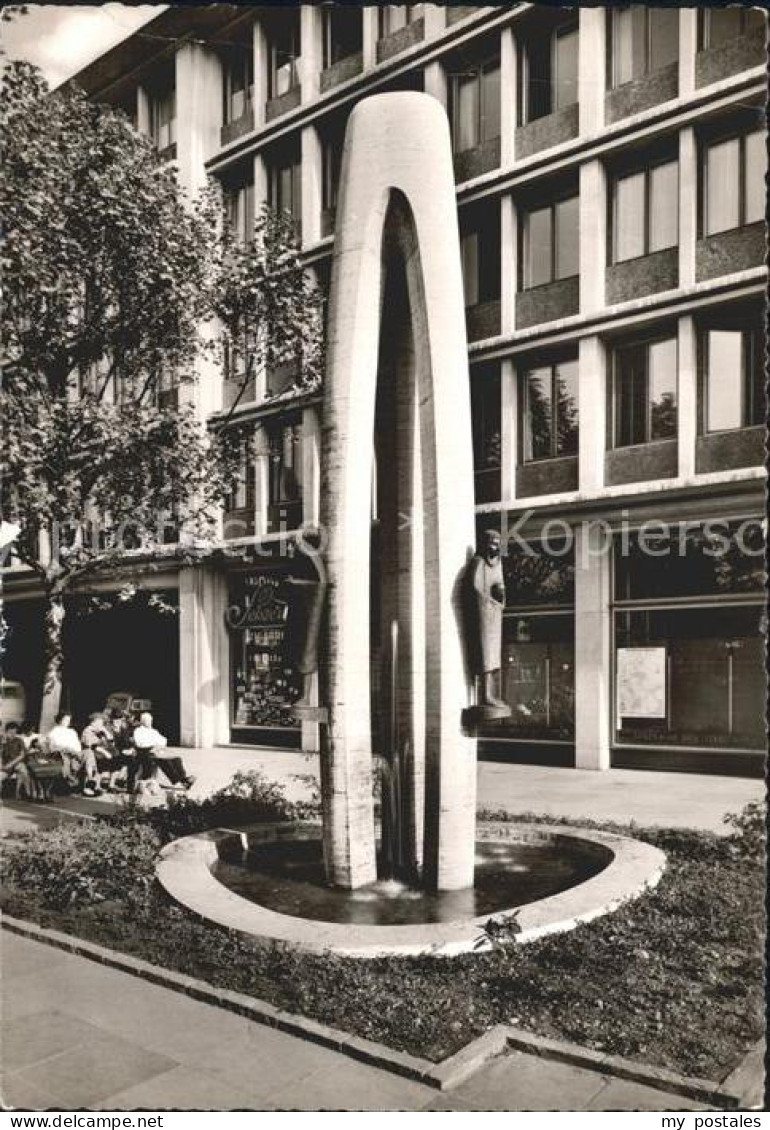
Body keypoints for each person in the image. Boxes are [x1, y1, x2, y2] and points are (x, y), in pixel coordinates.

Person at [465, 528, 511, 716]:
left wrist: (500, 597)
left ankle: (490, 694)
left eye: (498, 543)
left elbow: (501, 585)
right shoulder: (478, 562)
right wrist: (489, 601)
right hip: (483, 614)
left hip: (495, 615)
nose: (495, 547)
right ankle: (484, 695)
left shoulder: (498, 564)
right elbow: (474, 588)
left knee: (493, 656)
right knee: (484, 656)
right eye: (492, 542)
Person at [131, 712, 194, 792]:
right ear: (143, 721)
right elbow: (139, 743)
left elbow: (163, 740)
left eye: (150, 720)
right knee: (165, 761)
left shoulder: (153, 731)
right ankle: (183, 781)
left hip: (157, 750)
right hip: (146, 753)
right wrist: (153, 744)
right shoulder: (138, 731)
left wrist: (157, 744)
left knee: (176, 758)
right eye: (147, 720)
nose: (149, 722)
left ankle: (184, 779)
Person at [48, 711, 102, 796]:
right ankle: (81, 786)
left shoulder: (72, 731)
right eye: (65, 720)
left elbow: (77, 745)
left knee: (89, 752)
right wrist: (70, 750)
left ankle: (90, 780)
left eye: (69, 720)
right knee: (66, 756)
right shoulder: (54, 732)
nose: (67, 722)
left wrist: (77, 752)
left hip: (75, 754)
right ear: (60, 720)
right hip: (64, 754)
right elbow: (54, 746)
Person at [81, 712, 126, 792]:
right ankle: (95, 785)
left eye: (101, 723)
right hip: (92, 751)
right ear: (93, 722)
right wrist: (105, 752)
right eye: (99, 722)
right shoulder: (88, 730)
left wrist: (104, 730)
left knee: (116, 757)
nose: (101, 724)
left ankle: (111, 785)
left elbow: (110, 739)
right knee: (102, 759)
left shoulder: (100, 731)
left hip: (102, 750)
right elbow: (92, 745)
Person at [1, 721, 35, 800]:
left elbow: (22, 755)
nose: (12, 735)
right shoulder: (2, 740)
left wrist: (11, 764)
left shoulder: (18, 740)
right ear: (6, 731)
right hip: (4, 764)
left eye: (14, 733)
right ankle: (15, 793)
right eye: (10, 732)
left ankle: (28, 793)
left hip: (16, 762)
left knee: (23, 770)